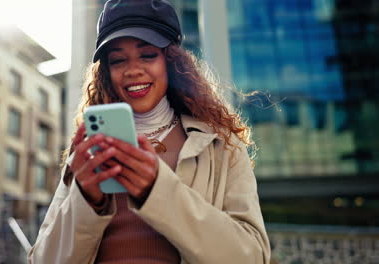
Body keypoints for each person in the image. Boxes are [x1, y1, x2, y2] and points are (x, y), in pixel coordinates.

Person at [28, 0, 271, 263]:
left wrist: (158, 190)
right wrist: (85, 200)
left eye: (147, 55)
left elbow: (253, 256)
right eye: (118, 60)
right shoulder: (89, 151)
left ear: (171, 62)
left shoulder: (222, 145)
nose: (132, 70)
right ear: (107, 72)